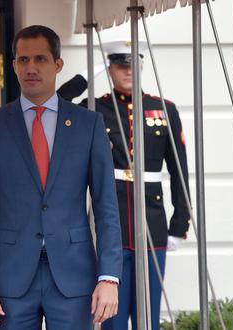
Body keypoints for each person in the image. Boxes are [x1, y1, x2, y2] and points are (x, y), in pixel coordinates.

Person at [0, 25, 122, 330]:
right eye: (23, 60)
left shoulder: (89, 125)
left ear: (58, 64)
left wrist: (109, 276)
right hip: (9, 278)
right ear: (13, 66)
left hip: (75, 277)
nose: (31, 68)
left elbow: (106, 208)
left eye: (40, 59)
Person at [58, 41, 191, 330]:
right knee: (111, 316)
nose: (128, 71)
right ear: (110, 68)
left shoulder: (163, 109)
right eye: (120, 65)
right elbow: (58, 104)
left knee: (148, 316)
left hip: (152, 223)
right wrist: (86, 75)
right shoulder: (96, 109)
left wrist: (179, 224)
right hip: (112, 224)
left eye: (133, 65)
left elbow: (179, 169)